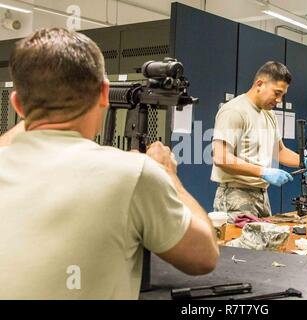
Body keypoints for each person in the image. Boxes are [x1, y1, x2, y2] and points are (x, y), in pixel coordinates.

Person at [0, 28, 219, 299]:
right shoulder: (134, 173)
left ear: (17, 105)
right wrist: (167, 174)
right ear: (105, 93)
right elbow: (204, 256)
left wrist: (39, 107)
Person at [211, 61, 307, 221]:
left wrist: (303, 161)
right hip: (236, 196)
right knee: (239, 246)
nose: (279, 100)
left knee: (268, 244)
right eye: (277, 93)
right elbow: (221, 157)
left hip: (261, 195)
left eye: (282, 95)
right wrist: (264, 172)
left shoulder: (269, 114)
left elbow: (279, 151)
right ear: (259, 84)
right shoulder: (234, 111)